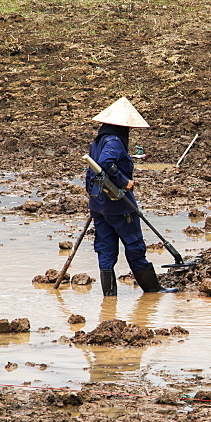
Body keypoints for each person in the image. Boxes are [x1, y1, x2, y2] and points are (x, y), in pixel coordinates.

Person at [85, 97, 176, 297]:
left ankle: (109, 299)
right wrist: (123, 181)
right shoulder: (115, 142)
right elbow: (106, 163)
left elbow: (93, 171)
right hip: (119, 206)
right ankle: (153, 291)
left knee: (105, 250)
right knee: (134, 246)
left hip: (98, 205)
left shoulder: (97, 142)